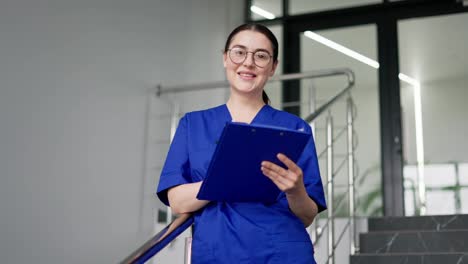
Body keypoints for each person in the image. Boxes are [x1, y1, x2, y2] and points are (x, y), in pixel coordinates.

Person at [157, 23, 326, 263]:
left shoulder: (295, 128)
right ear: (225, 59)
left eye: (261, 56)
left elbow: (307, 216)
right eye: (239, 52)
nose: (248, 63)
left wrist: (295, 190)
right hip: (217, 253)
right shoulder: (193, 124)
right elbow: (177, 201)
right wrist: (225, 178)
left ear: (273, 67)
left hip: (282, 252)